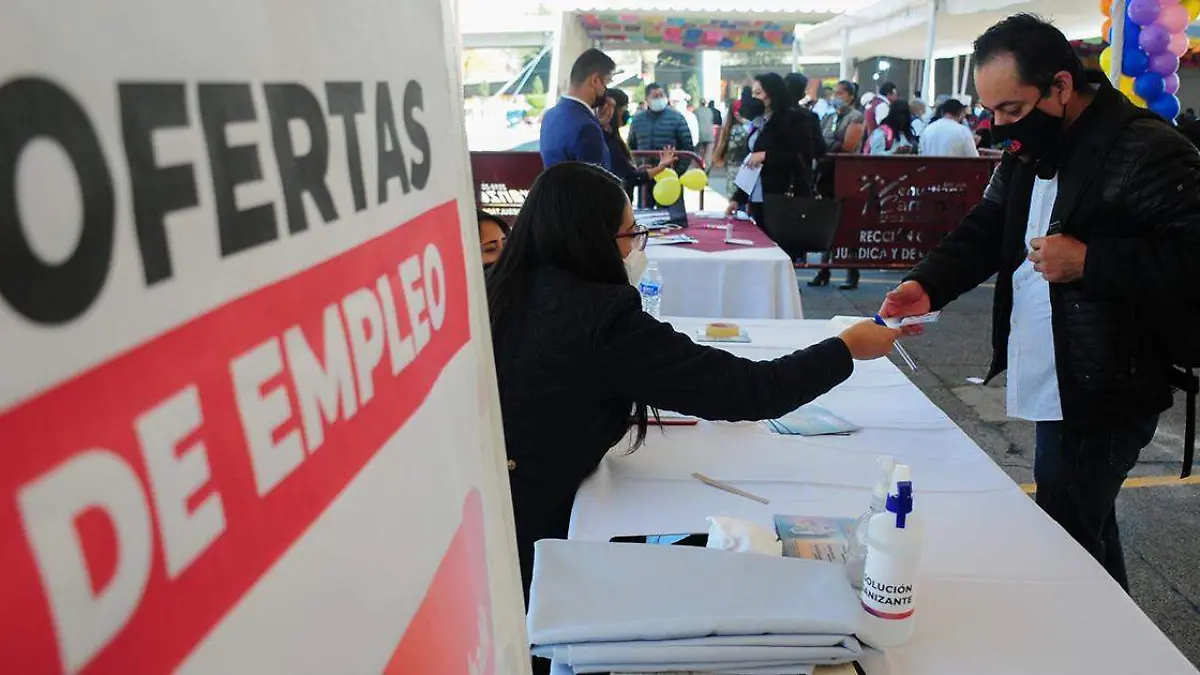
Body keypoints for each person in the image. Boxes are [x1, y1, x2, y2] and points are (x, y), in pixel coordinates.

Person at [488, 161, 903, 615]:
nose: (635, 249)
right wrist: (845, 348)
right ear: (589, 239)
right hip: (536, 531)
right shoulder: (600, 318)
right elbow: (747, 390)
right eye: (630, 235)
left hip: (493, 506)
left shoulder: (499, 288)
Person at [880, 14, 1200, 590]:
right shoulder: (1032, 144)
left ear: (1060, 86)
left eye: (1013, 110)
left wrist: (1090, 261)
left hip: (1108, 382)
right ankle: (1122, 647)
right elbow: (989, 224)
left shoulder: (1147, 149)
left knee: (1065, 534)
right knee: (1082, 527)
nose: (1000, 127)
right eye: (993, 112)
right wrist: (928, 284)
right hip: (1058, 371)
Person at [723, 73, 825, 258]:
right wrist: (738, 198)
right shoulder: (758, 121)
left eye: (759, 93)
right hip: (757, 194)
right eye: (753, 93)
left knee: (781, 248)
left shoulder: (795, 119)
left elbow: (802, 155)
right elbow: (751, 162)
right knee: (762, 247)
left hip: (782, 193)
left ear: (772, 93)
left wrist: (767, 155)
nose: (755, 98)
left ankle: (785, 286)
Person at [813, 80, 866, 289]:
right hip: (827, 175)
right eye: (834, 93)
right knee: (827, 224)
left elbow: (848, 146)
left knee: (847, 224)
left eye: (840, 93)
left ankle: (852, 271)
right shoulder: (829, 116)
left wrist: (830, 144)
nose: (836, 97)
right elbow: (818, 141)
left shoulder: (856, 117)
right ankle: (823, 270)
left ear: (850, 96)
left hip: (847, 176)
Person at [539, 48, 615, 170]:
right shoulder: (587, 127)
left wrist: (600, 126)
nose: (607, 90)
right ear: (595, 80)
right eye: (607, 82)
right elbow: (599, 182)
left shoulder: (550, 116)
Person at [602, 88, 677, 200]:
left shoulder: (607, 137)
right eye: (624, 109)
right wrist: (661, 167)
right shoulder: (610, 142)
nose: (626, 114)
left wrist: (635, 168)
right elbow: (634, 178)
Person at [628, 83, 695, 172]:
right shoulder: (637, 120)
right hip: (645, 173)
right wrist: (639, 166)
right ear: (646, 99)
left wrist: (678, 171)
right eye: (655, 96)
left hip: (669, 173)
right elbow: (632, 145)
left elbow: (687, 147)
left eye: (662, 95)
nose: (659, 98)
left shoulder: (677, 118)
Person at [713, 97, 765, 198]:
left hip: (733, 172)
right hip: (741, 173)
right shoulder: (740, 131)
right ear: (737, 114)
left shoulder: (730, 129)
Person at [862, 81, 899, 150]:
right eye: (895, 95)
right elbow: (885, 128)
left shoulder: (874, 102)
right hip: (878, 145)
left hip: (871, 142)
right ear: (888, 94)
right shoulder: (882, 106)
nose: (896, 98)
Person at [694, 98, 715, 165]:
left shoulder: (696, 111)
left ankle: (699, 168)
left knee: (699, 153)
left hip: (700, 134)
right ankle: (707, 169)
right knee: (708, 154)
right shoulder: (709, 110)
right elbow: (711, 120)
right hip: (710, 134)